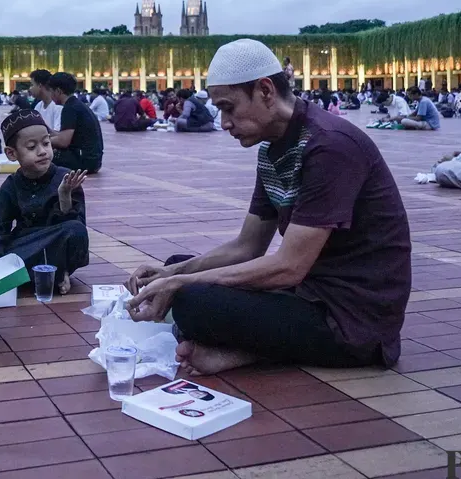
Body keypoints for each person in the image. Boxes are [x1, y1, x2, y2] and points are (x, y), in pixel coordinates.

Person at [126, 39, 411, 372]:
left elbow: (289, 266)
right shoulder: (272, 149)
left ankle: (249, 349)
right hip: (309, 292)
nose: (224, 122)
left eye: (229, 107)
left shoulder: (329, 146)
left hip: (351, 317)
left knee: (191, 300)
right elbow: (247, 247)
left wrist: (182, 284)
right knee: (180, 266)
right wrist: (172, 273)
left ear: (265, 91)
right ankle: (246, 348)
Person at [0, 109, 88, 294]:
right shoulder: (11, 185)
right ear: (11, 153)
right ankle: (49, 273)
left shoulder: (66, 178)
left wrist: (65, 195)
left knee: (75, 230)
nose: (42, 152)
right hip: (25, 244)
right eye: (32, 147)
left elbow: (74, 230)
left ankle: (53, 269)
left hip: (56, 243)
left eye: (46, 143)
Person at [47, 72, 103, 173]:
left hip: (84, 161)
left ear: (58, 91)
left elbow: (63, 142)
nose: (50, 96)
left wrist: (41, 142)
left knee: (40, 157)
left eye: (51, 92)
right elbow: (64, 136)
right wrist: (48, 133)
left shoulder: (70, 108)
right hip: (93, 160)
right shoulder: (77, 105)